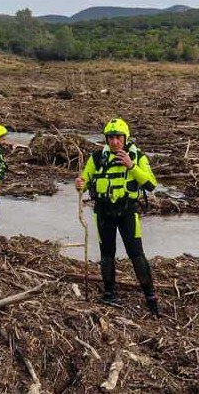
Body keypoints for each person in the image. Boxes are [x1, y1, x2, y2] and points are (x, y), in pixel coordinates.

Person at [75, 118, 160, 316]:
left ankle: (150, 294)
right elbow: (85, 181)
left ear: (125, 138)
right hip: (104, 212)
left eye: (118, 138)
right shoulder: (97, 158)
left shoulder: (137, 157)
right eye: (110, 138)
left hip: (127, 212)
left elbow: (151, 184)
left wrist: (131, 166)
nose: (114, 142)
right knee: (107, 254)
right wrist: (80, 184)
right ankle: (109, 293)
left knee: (136, 254)